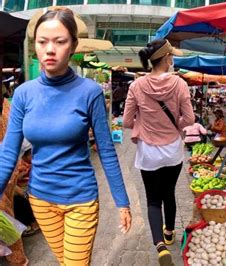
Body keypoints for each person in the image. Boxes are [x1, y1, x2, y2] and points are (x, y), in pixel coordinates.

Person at [0, 7, 132, 265]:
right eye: (42, 41)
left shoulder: (89, 92)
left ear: (72, 46)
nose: (50, 49)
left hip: (80, 200)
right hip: (40, 200)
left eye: (59, 41)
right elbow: (8, 151)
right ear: (35, 44)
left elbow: (106, 150)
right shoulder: (24, 94)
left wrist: (122, 202)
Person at [123, 39, 194, 266]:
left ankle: (160, 247)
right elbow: (189, 120)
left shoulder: (136, 86)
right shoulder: (179, 84)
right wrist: (175, 125)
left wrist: (143, 123)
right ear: (166, 58)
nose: (172, 58)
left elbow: (126, 121)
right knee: (169, 192)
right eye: (171, 55)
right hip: (172, 150)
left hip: (148, 153)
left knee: (153, 200)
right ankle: (170, 232)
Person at [0, 101, 28, 266]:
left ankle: (19, 260)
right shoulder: (7, 104)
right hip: (9, 163)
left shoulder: (5, 106)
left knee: (5, 215)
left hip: (5, 165)